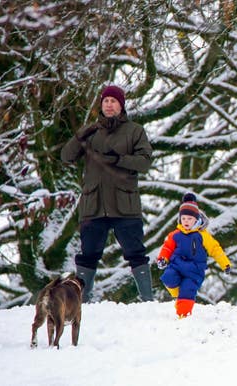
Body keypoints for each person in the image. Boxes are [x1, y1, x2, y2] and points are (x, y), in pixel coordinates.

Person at [61, 85, 154, 303]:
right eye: (105, 101)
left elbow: (145, 162)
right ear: (100, 105)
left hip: (125, 204)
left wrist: (119, 160)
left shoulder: (134, 131)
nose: (109, 105)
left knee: (136, 252)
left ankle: (148, 300)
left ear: (121, 105)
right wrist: (79, 136)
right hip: (94, 204)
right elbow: (66, 156)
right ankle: (81, 302)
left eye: (113, 101)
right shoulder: (91, 132)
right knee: (87, 255)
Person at [156, 193, 231, 318]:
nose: (186, 221)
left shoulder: (202, 235)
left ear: (197, 219)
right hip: (176, 266)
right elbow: (167, 247)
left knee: (187, 291)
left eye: (189, 219)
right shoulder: (175, 234)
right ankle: (178, 296)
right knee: (168, 278)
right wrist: (162, 259)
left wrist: (225, 264)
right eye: (183, 218)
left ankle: (183, 316)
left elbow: (215, 249)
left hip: (194, 271)